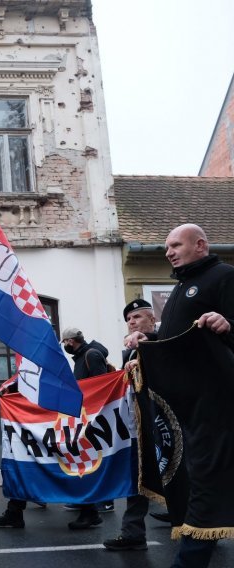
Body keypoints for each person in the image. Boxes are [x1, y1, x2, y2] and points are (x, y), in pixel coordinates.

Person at [125, 223, 234, 568]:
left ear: (200, 244)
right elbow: (177, 343)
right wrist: (148, 341)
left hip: (216, 404)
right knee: (196, 479)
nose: (168, 251)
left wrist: (228, 323)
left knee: (205, 480)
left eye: (175, 245)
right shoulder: (182, 287)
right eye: (166, 247)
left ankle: (189, 560)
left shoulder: (224, 276)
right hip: (184, 408)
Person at [102, 299, 158, 551]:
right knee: (138, 478)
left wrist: (148, 355)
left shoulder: (165, 341)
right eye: (128, 319)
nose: (132, 322)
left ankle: (200, 532)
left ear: (152, 319)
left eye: (137, 317)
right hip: (140, 427)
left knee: (181, 479)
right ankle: (133, 533)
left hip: (168, 426)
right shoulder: (129, 351)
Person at [59, 326, 112, 529]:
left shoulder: (91, 355)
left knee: (91, 460)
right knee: (85, 461)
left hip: (94, 418)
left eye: (65, 343)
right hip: (85, 416)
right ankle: (88, 505)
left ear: (71, 341)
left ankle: (101, 503)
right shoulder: (82, 357)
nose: (65, 346)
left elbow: (101, 386)